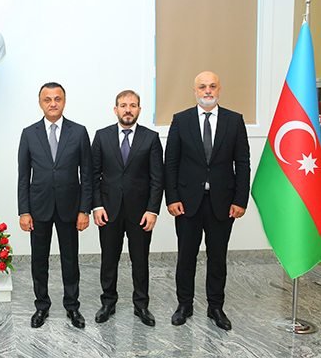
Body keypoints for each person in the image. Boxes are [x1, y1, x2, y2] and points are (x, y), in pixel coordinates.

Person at [165, 71, 250, 331]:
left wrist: (240, 200)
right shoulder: (181, 120)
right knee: (186, 257)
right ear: (195, 91)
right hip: (187, 203)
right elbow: (171, 163)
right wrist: (172, 198)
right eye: (202, 87)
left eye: (212, 86)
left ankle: (216, 307)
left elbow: (243, 163)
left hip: (222, 203)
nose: (208, 91)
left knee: (218, 257)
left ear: (219, 89)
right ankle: (184, 305)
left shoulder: (234, 120)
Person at [17, 82, 92, 329]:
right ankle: (41, 306)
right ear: (40, 103)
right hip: (38, 209)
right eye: (47, 99)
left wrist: (84, 210)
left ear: (64, 101)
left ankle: (72, 306)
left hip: (70, 208)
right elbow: (23, 177)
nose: (53, 104)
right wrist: (24, 211)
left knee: (70, 261)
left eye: (57, 99)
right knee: (39, 261)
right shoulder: (29, 133)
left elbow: (87, 175)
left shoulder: (79, 132)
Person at [91, 90, 164, 326]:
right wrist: (97, 206)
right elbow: (93, 175)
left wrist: (152, 210)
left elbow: (157, 179)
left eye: (133, 105)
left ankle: (141, 305)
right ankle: (108, 302)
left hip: (140, 213)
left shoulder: (151, 138)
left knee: (140, 260)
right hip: (108, 210)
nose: (128, 110)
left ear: (139, 110)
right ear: (116, 110)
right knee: (108, 259)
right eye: (123, 105)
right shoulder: (101, 136)